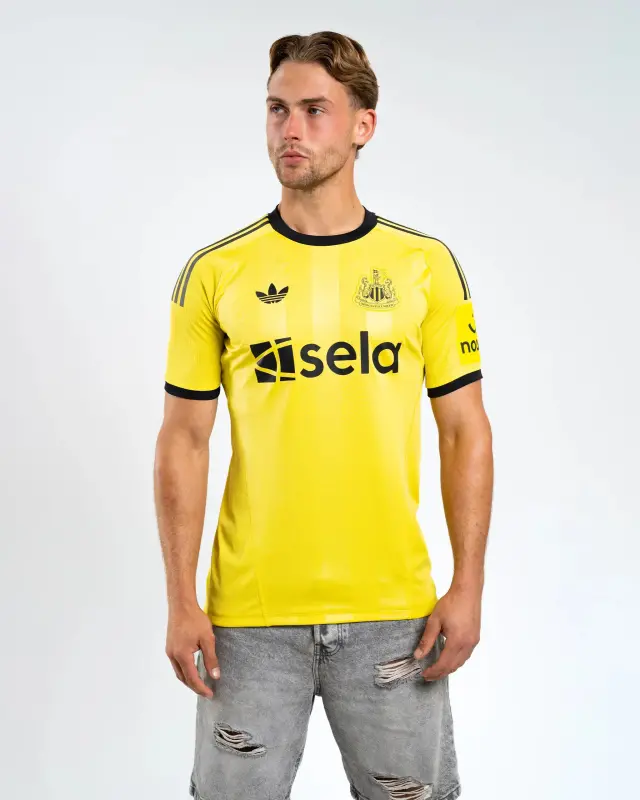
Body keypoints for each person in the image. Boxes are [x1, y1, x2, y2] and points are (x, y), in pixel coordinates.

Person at [154, 29, 493, 800]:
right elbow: (183, 439)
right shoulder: (216, 272)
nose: (291, 129)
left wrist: (468, 584)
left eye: (314, 110)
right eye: (277, 109)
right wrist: (180, 600)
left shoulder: (425, 266)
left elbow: (464, 429)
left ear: (363, 125)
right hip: (248, 623)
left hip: (394, 619)